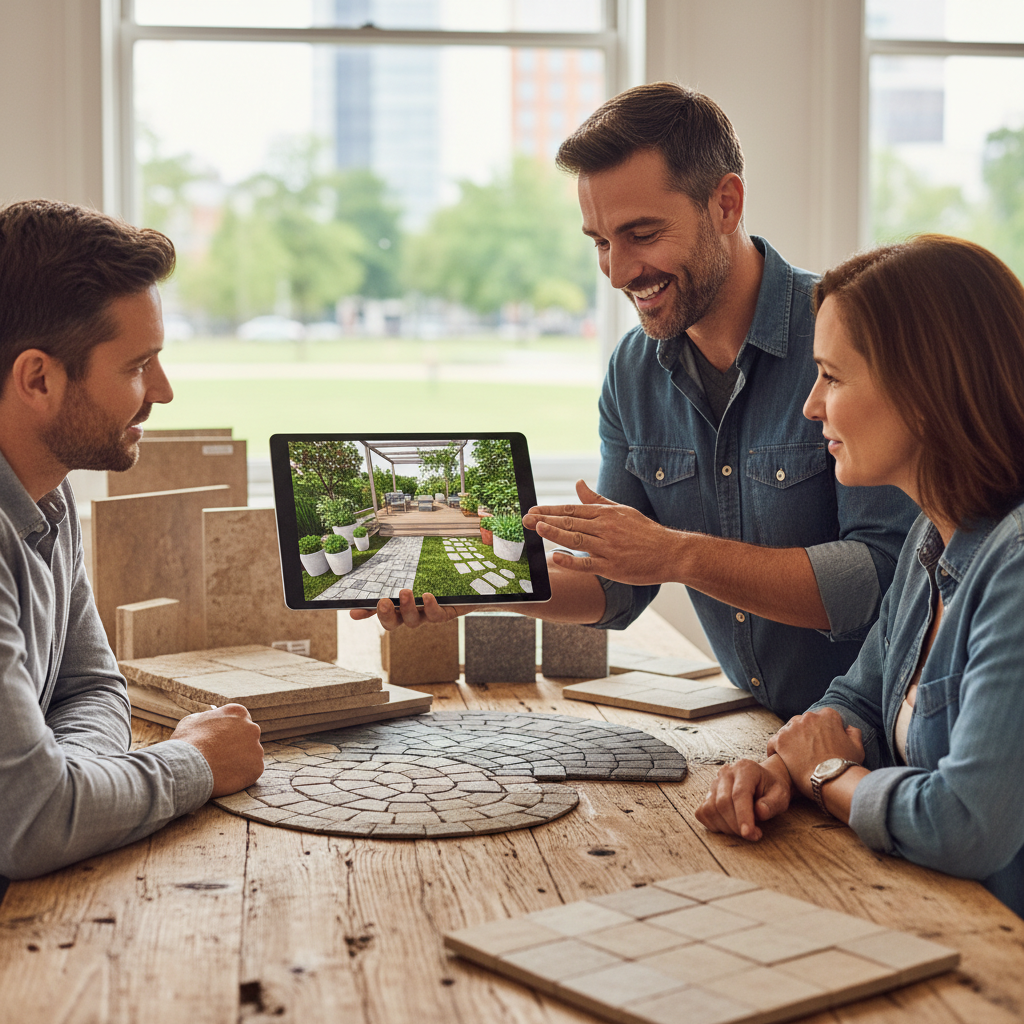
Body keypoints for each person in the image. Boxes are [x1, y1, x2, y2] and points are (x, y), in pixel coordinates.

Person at [356, 84, 918, 721]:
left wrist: (678, 553)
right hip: (764, 735)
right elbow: (617, 583)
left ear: (726, 203)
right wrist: (480, 587)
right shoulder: (632, 370)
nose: (619, 271)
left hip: (874, 738)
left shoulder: (844, 339)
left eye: (642, 234)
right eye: (599, 241)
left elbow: (883, 578)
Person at [697, 234, 1024, 917]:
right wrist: (781, 766)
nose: (811, 405)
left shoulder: (1015, 567)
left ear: (925, 391)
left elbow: (968, 824)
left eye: (832, 376)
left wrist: (829, 775)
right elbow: (860, 698)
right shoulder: (931, 537)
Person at [0, 200, 264, 881]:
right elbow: (31, 825)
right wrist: (196, 762)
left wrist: (76, 784)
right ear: (38, 378)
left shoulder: (46, 498)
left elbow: (89, 686)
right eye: (138, 366)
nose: (164, 391)